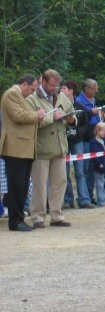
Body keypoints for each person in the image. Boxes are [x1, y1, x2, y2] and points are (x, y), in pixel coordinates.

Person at [27, 69, 76, 228]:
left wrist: (71, 119)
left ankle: (56, 215)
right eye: (52, 86)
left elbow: (71, 113)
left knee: (59, 181)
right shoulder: (32, 99)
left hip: (60, 146)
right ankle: (37, 217)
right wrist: (51, 117)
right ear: (43, 82)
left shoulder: (62, 96)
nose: (55, 89)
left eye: (57, 86)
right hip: (42, 147)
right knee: (40, 184)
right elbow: (32, 121)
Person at [0, 74, 45, 232]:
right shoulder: (11, 94)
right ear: (25, 84)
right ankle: (15, 221)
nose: (31, 93)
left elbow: (24, 115)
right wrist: (37, 115)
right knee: (16, 185)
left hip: (24, 148)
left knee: (23, 186)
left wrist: (37, 115)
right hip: (15, 148)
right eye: (31, 89)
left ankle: (19, 219)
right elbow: (18, 115)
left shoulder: (20, 96)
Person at [61, 80, 95, 209]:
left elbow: (85, 126)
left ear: (71, 91)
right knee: (64, 172)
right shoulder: (58, 105)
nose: (61, 91)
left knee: (80, 171)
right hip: (64, 141)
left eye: (64, 88)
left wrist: (76, 132)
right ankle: (68, 200)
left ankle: (84, 200)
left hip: (77, 141)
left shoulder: (80, 106)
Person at [76, 78, 104, 203]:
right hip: (85, 137)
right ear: (87, 89)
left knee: (92, 166)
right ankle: (85, 196)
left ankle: (90, 195)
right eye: (94, 88)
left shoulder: (93, 100)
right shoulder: (79, 101)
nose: (96, 91)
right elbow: (80, 116)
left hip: (94, 137)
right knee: (86, 167)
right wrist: (90, 112)